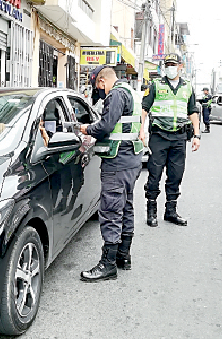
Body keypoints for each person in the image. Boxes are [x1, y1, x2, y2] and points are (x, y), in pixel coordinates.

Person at [79, 65, 144, 282]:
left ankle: (108, 265)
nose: (100, 92)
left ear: (102, 82)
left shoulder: (115, 94)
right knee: (125, 207)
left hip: (117, 162)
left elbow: (106, 126)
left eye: (98, 88)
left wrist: (87, 129)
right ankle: (123, 257)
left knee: (110, 211)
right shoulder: (132, 92)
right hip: (131, 160)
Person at [140, 53, 201, 227]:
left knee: (175, 175)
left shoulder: (187, 87)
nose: (170, 67)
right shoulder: (156, 85)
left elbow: (193, 111)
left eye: (173, 64)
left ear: (180, 66)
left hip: (179, 137)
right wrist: (141, 131)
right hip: (159, 136)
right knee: (154, 174)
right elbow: (144, 109)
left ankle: (170, 212)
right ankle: (151, 212)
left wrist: (196, 135)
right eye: (167, 65)